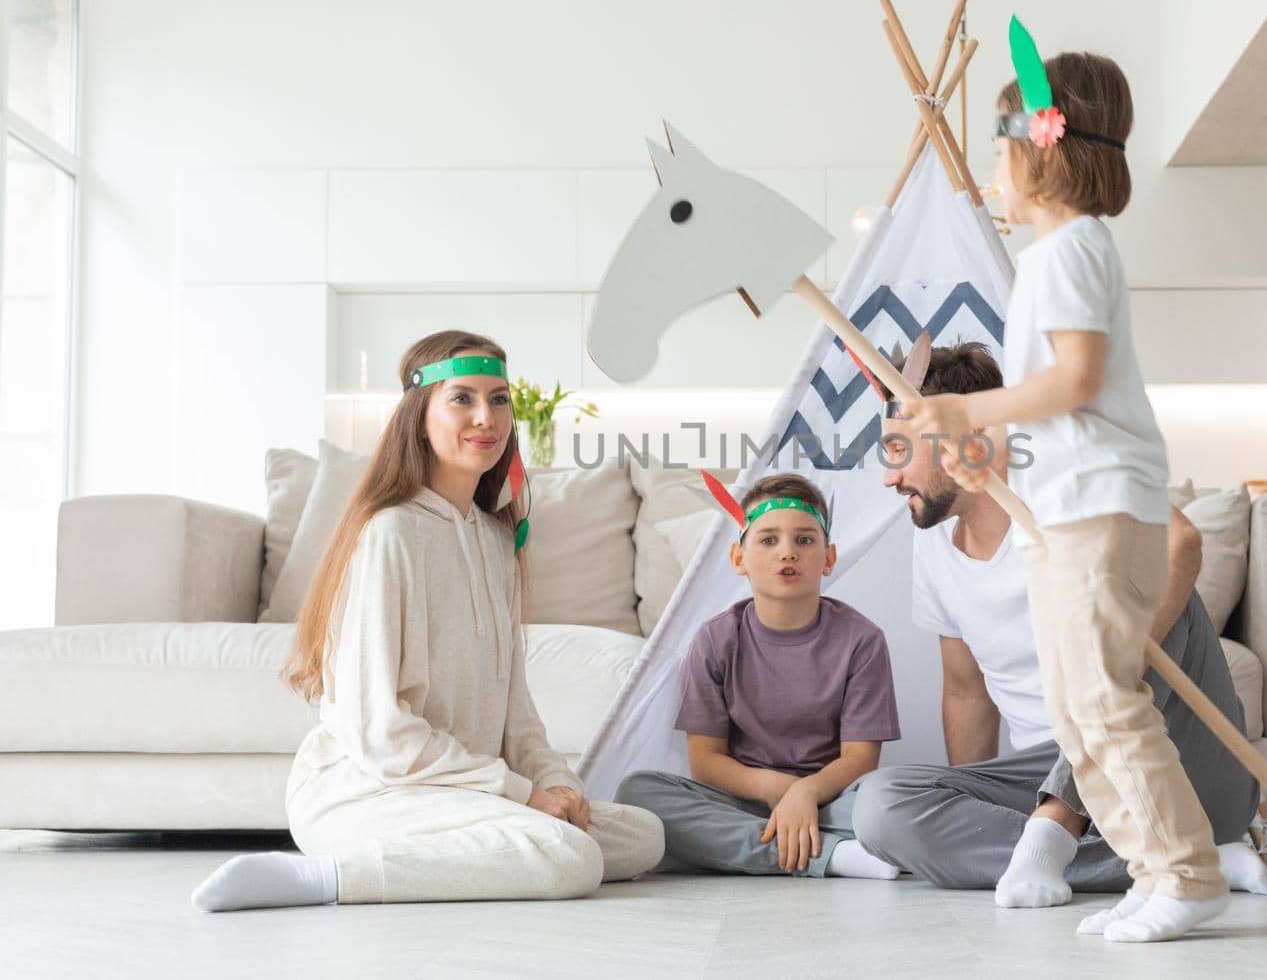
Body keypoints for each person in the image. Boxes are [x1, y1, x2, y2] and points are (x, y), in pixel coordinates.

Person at [900, 31, 1228, 942]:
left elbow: (1076, 379)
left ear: (1040, 149)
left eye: (999, 149)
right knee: (1077, 708)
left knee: (1104, 700)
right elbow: (1055, 407)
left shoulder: (1074, 248)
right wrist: (984, 440)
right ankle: (1155, 867)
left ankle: (1188, 872)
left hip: (1097, 511)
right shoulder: (1053, 258)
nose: (993, 173)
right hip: (1066, 509)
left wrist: (972, 413)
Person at [192, 330, 663, 911]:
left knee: (643, 835)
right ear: (419, 415)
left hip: (463, 792)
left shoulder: (497, 540)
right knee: (569, 855)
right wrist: (519, 794)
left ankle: (494, 841)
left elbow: (517, 715)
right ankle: (325, 879)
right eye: (462, 398)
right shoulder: (390, 533)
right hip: (370, 790)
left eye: (499, 399)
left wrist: (555, 782)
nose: (485, 417)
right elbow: (380, 733)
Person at [856, 342, 1267, 910]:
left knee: (1138, 580)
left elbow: (1182, 542)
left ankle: (1063, 827)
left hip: (1166, 761)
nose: (889, 476)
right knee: (880, 806)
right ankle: (1191, 859)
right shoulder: (931, 549)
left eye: (900, 449)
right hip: (1044, 769)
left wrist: (1102, 694)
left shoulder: (1058, 483)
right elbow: (966, 692)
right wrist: (972, 799)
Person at [617, 474, 902, 880]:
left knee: (887, 802)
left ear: (828, 557)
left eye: (804, 540)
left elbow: (860, 759)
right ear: (738, 558)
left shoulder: (862, 639)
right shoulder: (714, 639)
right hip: (745, 798)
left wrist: (806, 793)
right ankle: (833, 857)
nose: (787, 552)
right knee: (639, 792)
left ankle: (757, 845)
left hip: (830, 799)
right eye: (768, 540)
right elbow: (705, 762)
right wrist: (782, 792)